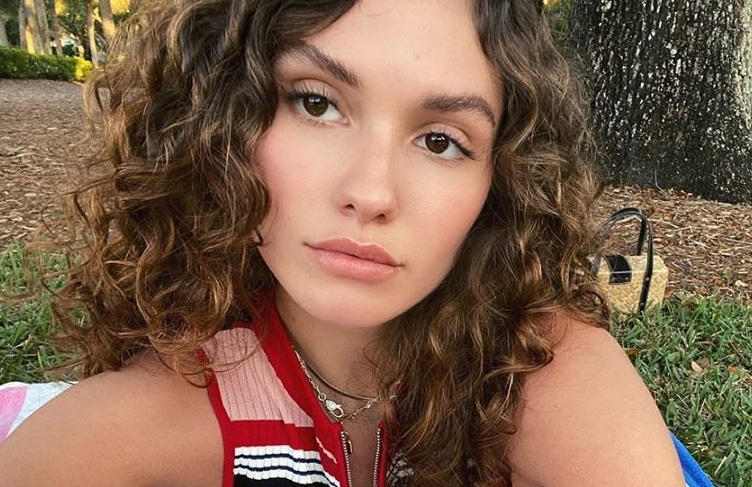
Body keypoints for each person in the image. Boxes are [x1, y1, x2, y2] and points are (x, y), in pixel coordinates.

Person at [0, 0, 692, 485]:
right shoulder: (130, 427)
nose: (371, 191)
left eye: (441, 141)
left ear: (500, 182)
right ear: (224, 123)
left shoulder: (537, 368)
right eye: (317, 102)